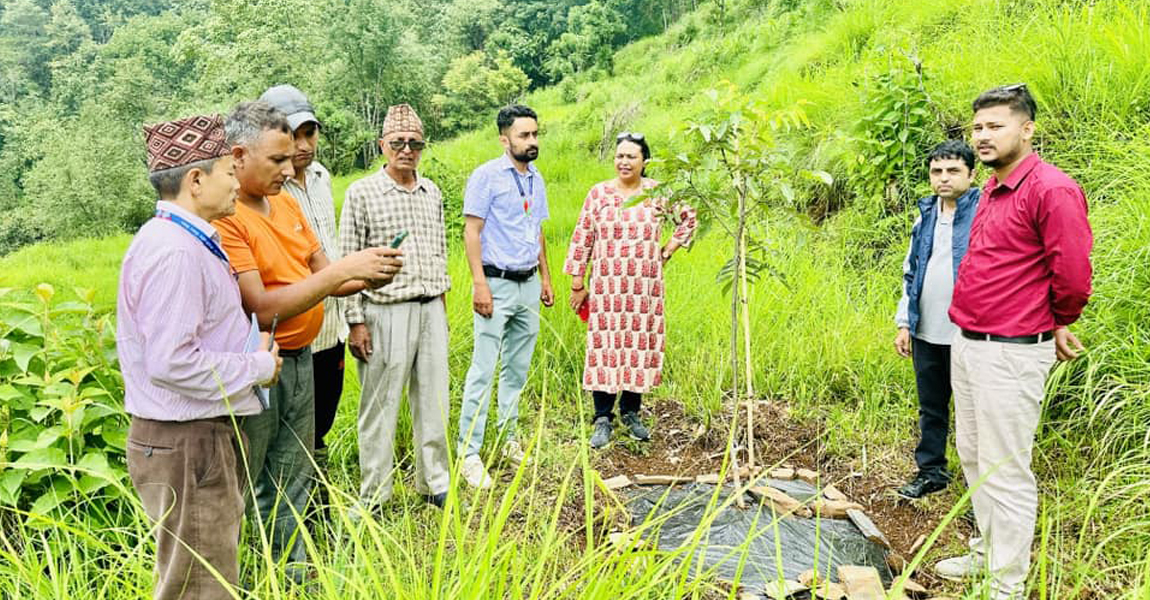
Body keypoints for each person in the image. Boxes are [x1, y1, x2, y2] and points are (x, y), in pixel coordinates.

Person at [213, 101, 403, 577]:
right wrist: (343, 271)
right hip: (257, 366)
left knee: (295, 469)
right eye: (276, 159)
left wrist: (367, 275)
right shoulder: (227, 216)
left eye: (291, 155)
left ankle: (295, 573)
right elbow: (260, 306)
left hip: (302, 358)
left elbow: (324, 276)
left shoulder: (286, 202)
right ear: (238, 157)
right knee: (250, 476)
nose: (289, 165)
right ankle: (238, 573)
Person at [935, 84, 1092, 599]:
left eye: (995, 126)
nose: (982, 136)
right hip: (969, 342)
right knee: (975, 454)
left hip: (1012, 349)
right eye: (977, 127)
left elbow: (1071, 275)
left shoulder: (1052, 190)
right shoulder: (990, 189)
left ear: (1027, 129)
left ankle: (1007, 583)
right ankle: (986, 553)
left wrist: (1058, 319)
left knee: (1006, 467)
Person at [118, 114, 282, 599]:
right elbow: (171, 362)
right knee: (200, 587)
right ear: (195, 180)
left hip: (192, 440)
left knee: (196, 576)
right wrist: (257, 367)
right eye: (228, 173)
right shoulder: (176, 253)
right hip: (188, 442)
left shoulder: (181, 241)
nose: (237, 183)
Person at [341, 104, 452, 509]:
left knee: (434, 400)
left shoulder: (432, 191)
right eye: (398, 143)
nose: (407, 150)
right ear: (382, 145)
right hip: (384, 311)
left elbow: (439, 253)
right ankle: (375, 494)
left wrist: (441, 309)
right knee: (379, 406)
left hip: (430, 308)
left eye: (415, 143)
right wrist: (355, 321)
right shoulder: (362, 192)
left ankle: (434, 482)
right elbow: (348, 256)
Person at [563, 133, 697, 448]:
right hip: (607, 289)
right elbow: (582, 237)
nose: (624, 162)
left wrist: (668, 249)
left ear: (644, 162)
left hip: (644, 291)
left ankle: (631, 412)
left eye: (631, 157)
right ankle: (602, 418)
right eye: (620, 156)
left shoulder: (658, 194)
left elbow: (689, 218)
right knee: (604, 348)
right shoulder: (598, 194)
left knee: (639, 347)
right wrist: (577, 283)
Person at [458, 104, 555, 488]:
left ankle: (508, 437)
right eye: (524, 135)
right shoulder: (486, 177)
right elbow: (471, 232)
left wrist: (546, 278)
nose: (532, 141)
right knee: (483, 369)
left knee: (517, 367)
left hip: (528, 283)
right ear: (505, 139)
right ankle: (470, 452)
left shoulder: (536, 178)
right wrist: (479, 284)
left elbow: (538, 231)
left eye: (535, 134)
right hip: (495, 284)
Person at [259, 84, 347, 465]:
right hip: (292, 338)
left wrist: (353, 319)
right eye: (292, 136)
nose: (303, 146)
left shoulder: (323, 178)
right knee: (292, 435)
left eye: (309, 133)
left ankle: (317, 503)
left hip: (332, 328)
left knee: (322, 422)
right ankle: (303, 512)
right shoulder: (267, 192)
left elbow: (329, 251)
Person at [892, 140, 980, 499]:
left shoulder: (984, 211)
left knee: (975, 411)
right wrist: (904, 323)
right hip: (927, 328)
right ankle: (931, 472)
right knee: (931, 406)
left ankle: (982, 487)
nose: (944, 178)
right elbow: (910, 270)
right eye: (937, 171)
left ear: (972, 174)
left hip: (969, 332)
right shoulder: (926, 214)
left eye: (953, 170)